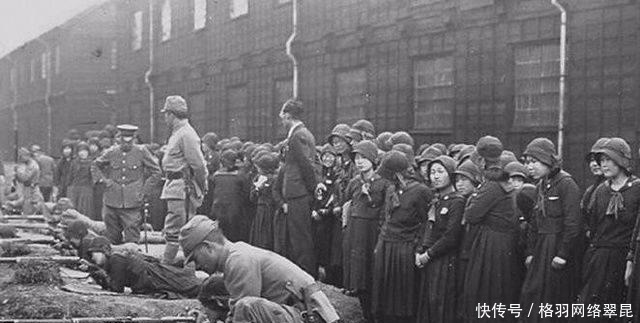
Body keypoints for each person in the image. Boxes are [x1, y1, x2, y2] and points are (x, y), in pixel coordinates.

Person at [179, 215, 341, 323]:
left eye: (195, 258)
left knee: (245, 306)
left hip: (312, 317)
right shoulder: (237, 254)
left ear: (208, 247)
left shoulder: (238, 259)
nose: (197, 265)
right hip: (301, 314)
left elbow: (242, 313)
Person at [520, 138, 582, 323]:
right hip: (541, 249)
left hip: (557, 250)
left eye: (534, 162)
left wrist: (563, 254)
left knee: (555, 300)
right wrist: (530, 252)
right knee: (533, 295)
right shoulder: (541, 186)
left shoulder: (566, 184)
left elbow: (573, 223)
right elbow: (534, 223)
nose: (529, 167)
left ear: (548, 160)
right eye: (527, 162)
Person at [577, 138, 640, 316]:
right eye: (601, 160)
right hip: (599, 258)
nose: (603, 165)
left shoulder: (637, 189)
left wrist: (631, 259)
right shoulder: (600, 191)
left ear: (621, 161)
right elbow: (591, 225)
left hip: (625, 259)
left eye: (608, 160)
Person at [461, 136, 521, 323]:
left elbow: (471, 215)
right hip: (502, 243)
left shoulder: (491, 184)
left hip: (491, 244)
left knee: (485, 291)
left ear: (480, 160)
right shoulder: (502, 179)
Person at [371, 150, 433, 323]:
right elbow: (385, 217)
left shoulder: (421, 191)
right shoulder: (392, 189)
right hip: (387, 245)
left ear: (396, 174)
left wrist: (418, 247)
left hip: (405, 248)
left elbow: (425, 222)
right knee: (385, 293)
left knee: (401, 297)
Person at [342, 140, 389, 322]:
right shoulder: (354, 182)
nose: (360, 161)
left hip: (372, 233)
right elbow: (347, 203)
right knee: (357, 273)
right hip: (354, 231)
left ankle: (376, 314)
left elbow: (385, 212)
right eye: (357, 158)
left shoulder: (383, 184)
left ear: (373, 159)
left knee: (372, 273)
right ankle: (365, 313)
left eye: (364, 158)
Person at [92, 125, 162, 245]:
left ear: (134, 139)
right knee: (112, 238)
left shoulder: (141, 152)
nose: (126, 144)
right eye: (124, 140)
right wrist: (104, 181)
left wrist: (144, 191)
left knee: (132, 238)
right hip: (111, 201)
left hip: (133, 201)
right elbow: (95, 165)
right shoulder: (112, 152)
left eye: (130, 141)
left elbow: (156, 172)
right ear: (120, 139)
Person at [415, 155, 465, 323]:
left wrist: (428, 254)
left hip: (445, 261)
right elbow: (427, 230)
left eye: (440, 172)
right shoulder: (436, 200)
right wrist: (419, 251)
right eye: (432, 172)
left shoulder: (457, 201)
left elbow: (451, 236)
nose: (435, 176)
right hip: (430, 260)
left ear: (450, 173)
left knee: (441, 305)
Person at [159, 95, 208, 264]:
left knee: (178, 231)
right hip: (174, 187)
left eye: (166, 114)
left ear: (172, 115)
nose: (165, 118)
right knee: (174, 230)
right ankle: (171, 267)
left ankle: (169, 269)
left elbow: (199, 165)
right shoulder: (178, 133)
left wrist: (201, 187)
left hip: (183, 189)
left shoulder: (186, 134)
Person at [84, 236, 202, 298]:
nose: (92, 258)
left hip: (152, 275)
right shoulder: (112, 261)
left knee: (187, 286)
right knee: (183, 285)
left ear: (104, 250)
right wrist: (97, 273)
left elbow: (116, 288)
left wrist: (100, 275)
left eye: (94, 253)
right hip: (150, 277)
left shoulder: (116, 259)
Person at [278, 98, 318, 277]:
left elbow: (306, 165)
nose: (281, 120)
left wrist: (310, 189)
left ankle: (306, 276)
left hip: (298, 194)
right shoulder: (303, 133)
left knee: (300, 239)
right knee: (299, 237)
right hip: (299, 193)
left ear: (287, 115)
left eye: (282, 116)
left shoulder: (297, 136)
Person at [209, 149, 251, 242]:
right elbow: (246, 195)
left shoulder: (216, 176)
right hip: (236, 212)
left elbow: (211, 194)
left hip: (217, 210)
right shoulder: (241, 176)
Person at [248, 152, 279, 251]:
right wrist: (257, 189)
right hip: (260, 210)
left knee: (268, 236)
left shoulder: (275, 179)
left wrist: (264, 187)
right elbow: (252, 198)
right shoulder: (257, 178)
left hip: (270, 211)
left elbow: (275, 196)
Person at [68, 142, 95, 218]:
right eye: (80, 151)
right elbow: (70, 177)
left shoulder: (92, 163)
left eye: (85, 151)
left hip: (87, 188)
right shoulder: (74, 163)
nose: (82, 153)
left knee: (85, 208)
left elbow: (93, 177)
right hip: (75, 188)